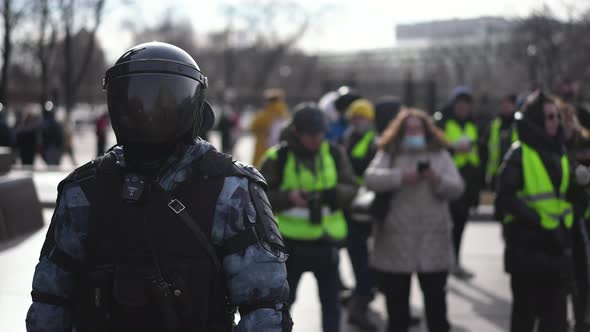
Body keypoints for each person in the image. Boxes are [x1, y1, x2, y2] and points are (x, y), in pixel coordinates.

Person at [26, 42, 292, 332]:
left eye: (162, 101)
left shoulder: (231, 189)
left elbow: (265, 308)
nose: (150, 113)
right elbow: (50, 298)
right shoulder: (85, 188)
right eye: (138, 100)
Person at [259, 103, 358, 332]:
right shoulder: (278, 157)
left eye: (320, 133)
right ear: (296, 132)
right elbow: (258, 197)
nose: (316, 139)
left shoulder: (334, 152)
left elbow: (351, 186)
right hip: (289, 246)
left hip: (326, 242)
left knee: (331, 306)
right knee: (282, 305)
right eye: (310, 134)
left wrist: (331, 195)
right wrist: (288, 198)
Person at [365, 108, 464, 332]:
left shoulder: (439, 154)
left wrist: (437, 179)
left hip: (432, 240)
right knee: (397, 312)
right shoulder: (389, 152)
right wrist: (400, 177)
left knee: (437, 309)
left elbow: (457, 187)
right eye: (409, 129)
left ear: (427, 130)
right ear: (400, 131)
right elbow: (371, 179)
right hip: (396, 239)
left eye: (417, 128)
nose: (413, 133)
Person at [495, 91, 576, 332]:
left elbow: (564, 196)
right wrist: (538, 221)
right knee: (525, 318)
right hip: (527, 248)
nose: (554, 122)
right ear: (536, 120)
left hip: (556, 247)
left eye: (556, 117)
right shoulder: (519, 153)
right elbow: (504, 199)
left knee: (556, 321)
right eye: (549, 117)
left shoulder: (559, 151)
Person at [438, 87, 482, 279]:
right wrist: (454, 148)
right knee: (445, 225)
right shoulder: (443, 123)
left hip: (467, 181)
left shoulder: (473, 125)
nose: (463, 109)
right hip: (448, 178)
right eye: (460, 105)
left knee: (460, 224)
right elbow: (438, 149)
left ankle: (455, 261)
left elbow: (479, 151)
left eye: (467, 106)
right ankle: (442, 262)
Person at [342, 99, 378, 330]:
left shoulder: (373, 142)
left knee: (367, 259)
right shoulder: (348, 138)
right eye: (355, 117)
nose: (357, 121)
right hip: (351, 204)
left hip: (366, 205)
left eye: (362, 117)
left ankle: (361, 299)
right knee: (357, 254)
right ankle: (359, 294)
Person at [481, 94, 518, 188]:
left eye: (508, 105)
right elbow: (484, 147)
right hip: (496, 173)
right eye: (503, 105)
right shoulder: (493, 125)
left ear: (513, 106)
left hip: (515, 171)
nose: (505, 107)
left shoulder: (519, 124)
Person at [250, 88, 289, 167]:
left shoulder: (263, 115)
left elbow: (252, 127)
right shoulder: (285, 115)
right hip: (280, 152)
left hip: (262, 151)